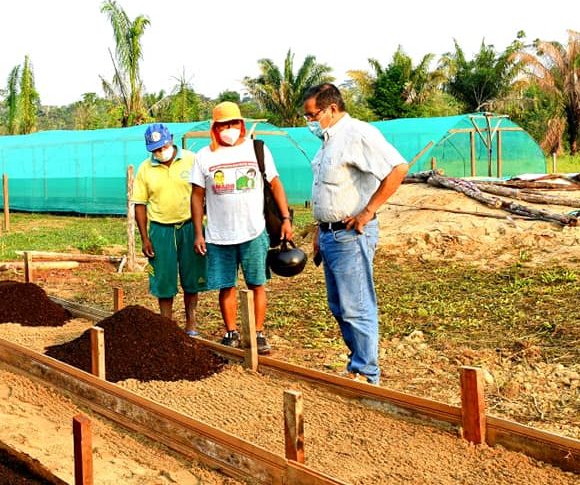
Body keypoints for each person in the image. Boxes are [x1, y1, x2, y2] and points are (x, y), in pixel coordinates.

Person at [302, 83, 409, 385]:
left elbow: (398, 168)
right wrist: (318, 231)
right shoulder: (327, 142)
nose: (309, 121)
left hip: (351, 234)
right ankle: (357, 365)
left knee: (356, 306)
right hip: (330, 235)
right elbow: (327, 190)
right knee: (339, 306)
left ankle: (367, 373)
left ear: (331, 108)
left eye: (312, 115)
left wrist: (368, 211)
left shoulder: (357, 134)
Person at [190, 102, 293, 354]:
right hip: (218, 235)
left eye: (234, 123)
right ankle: (231, 332)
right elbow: (196, 196)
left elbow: (275, 184)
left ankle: (257, 333)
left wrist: (286, 219)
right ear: (215, 128)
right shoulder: (204, 156)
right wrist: (198, 232)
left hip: (253, 231)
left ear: (241, 125)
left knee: (257, 283)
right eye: (224, 124)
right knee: (226, 286)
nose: (229, 129)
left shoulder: (256, 149)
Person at [132, 123, 208, 335]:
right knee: (163, 279)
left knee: (192, 276)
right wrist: (145, 238)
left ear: (171, 139)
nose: (160, 152)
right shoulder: (145, 169)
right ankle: (166, 324)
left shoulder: (192, 160)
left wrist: (200, 230)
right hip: (160, 229)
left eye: (163, 146)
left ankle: (191, 322)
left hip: (190, 226)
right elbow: (140, 204)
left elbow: (203, 193)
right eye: (155, 149)